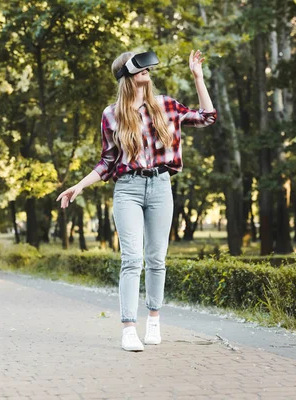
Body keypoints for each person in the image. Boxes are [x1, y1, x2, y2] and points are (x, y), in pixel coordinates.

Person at [56, 49, 216, 352]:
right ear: (127, 74)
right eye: (140, 68)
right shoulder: (112, 114)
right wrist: (79, 186)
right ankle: (128, 328)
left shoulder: (165, 105)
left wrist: (198, 78)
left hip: (160, 186)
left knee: (157, 259)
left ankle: (153, 319)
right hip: (127, 189)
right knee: (132, 260)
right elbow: (107, 162)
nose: (147, 71)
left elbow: (207, 117)